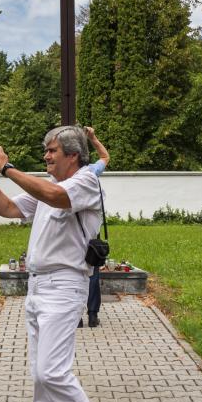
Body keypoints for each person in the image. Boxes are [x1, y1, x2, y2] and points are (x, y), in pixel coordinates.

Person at [0, 126, 117, 402]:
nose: (46, 156)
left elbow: (56, 196)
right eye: (46, 150)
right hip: (38, 287)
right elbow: (7, 208)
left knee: (53, 372)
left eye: (52, 150)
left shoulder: (85, 182)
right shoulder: (45, 187)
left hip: (65, 286)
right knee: (41, 377)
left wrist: (8, 169)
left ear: (73, 155)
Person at [83, 126, 109, 328]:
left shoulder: (61, 176)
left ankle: (75, 317)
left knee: (72, 274)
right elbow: (105, 156)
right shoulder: (91, 172)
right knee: (92, 270)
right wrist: (93, 137)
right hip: (92, 232)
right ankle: (92, 314)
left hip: (69, 232)